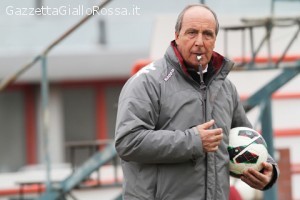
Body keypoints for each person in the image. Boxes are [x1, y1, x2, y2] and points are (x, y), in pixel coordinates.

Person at [115, 4, 279, 200]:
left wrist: (267, 169)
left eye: (207, 34)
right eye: (192, 33)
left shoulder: (226, 88)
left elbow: (245, 137)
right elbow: (127, 142)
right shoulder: (146, 82)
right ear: (177, 35)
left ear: (214, 40)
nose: (199, 42)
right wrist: (192, 141)